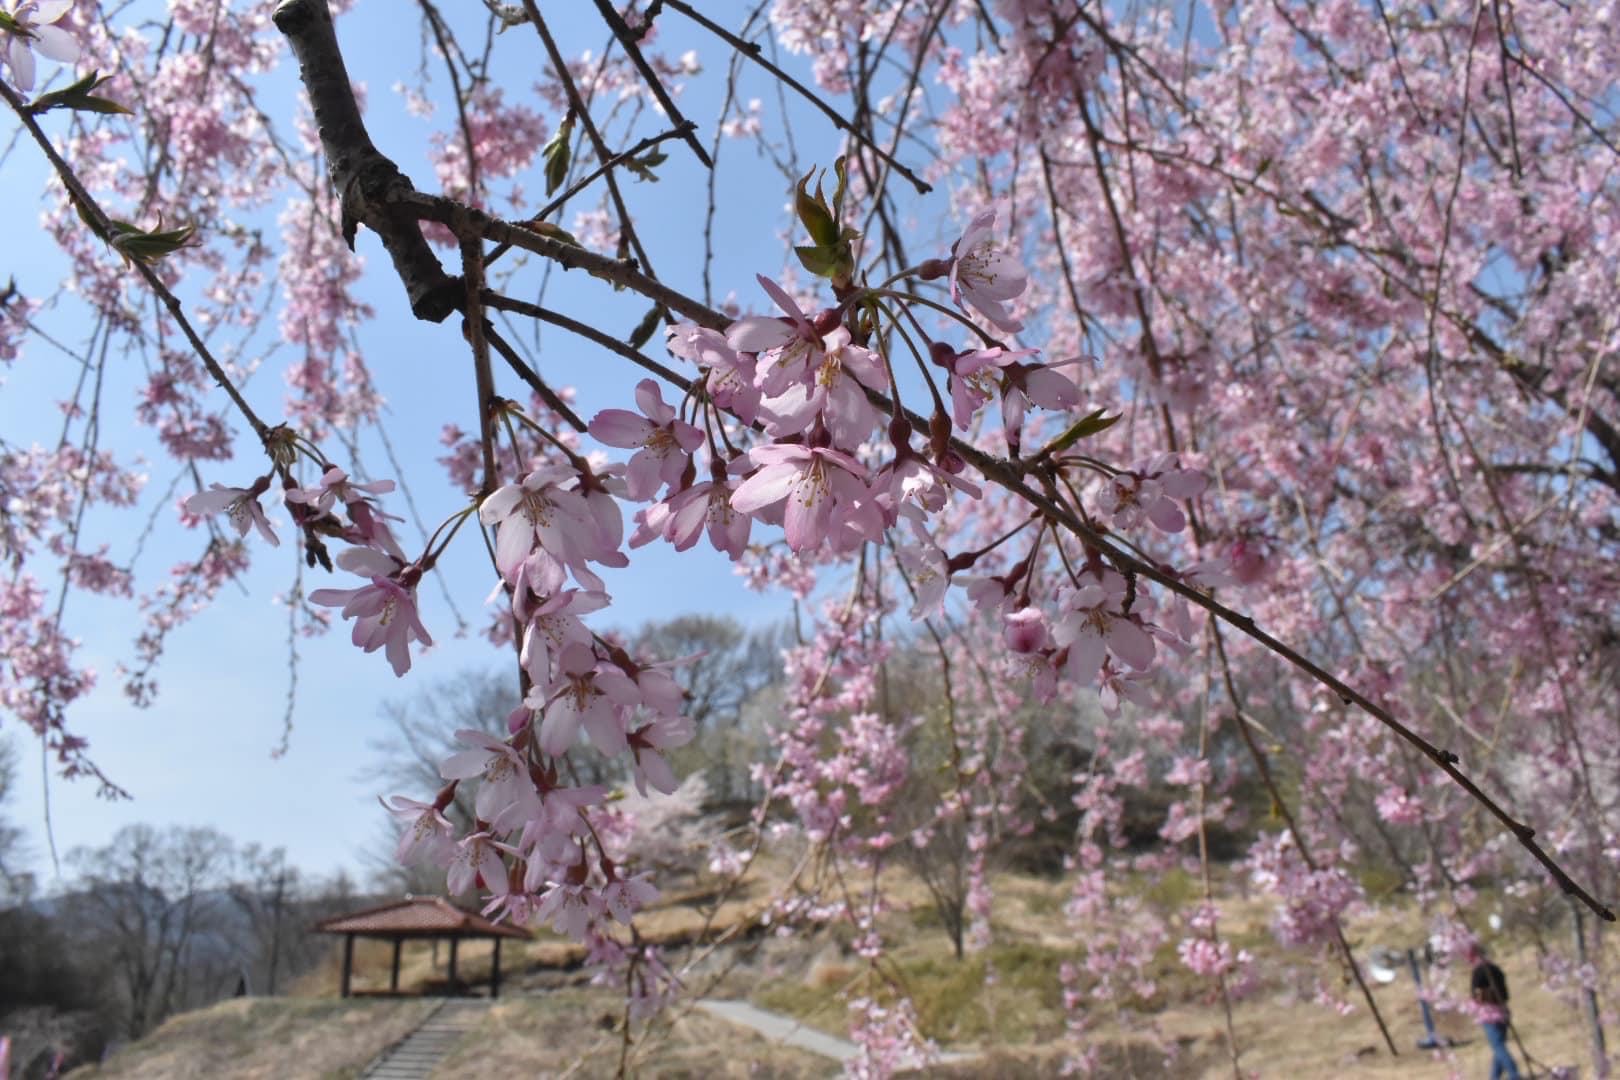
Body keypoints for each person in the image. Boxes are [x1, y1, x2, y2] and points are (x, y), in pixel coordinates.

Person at [1467, 943, 1522, 1080]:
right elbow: (1506, 994)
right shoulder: (1496, 969)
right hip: (1502, 1012)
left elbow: (1475, 996)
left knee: (1498, 1046)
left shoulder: (1478, 971)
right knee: (1498, 1047)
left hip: (1488, 1014)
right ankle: (1494, 1076)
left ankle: (1514, 1074)